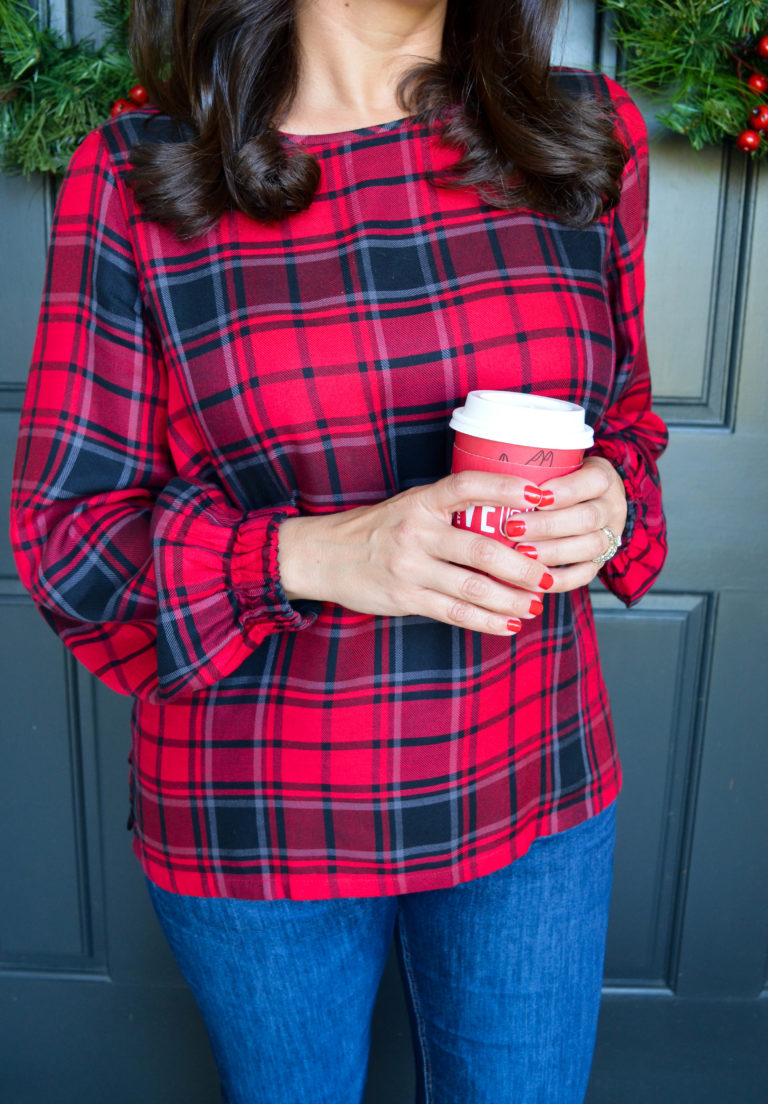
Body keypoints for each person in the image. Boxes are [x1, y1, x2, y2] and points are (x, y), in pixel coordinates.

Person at [10, 0, 668, 1101]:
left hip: (532, 781)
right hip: (262, 813)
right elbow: (66, 537)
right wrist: (315, 556)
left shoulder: (585, 132)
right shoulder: (138, 175)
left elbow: (630, 427)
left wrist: (609, 506)